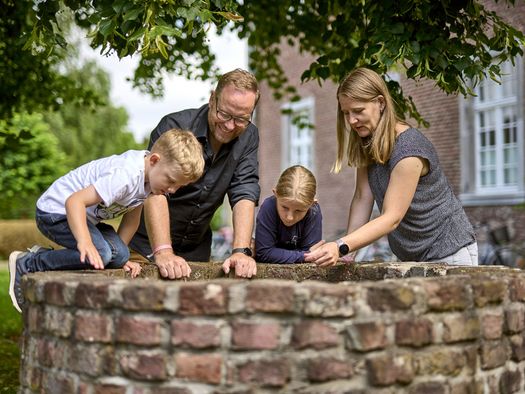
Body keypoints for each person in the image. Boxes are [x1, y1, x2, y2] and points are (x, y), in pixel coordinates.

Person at [8, 129, 204, 313]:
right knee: (100, 254)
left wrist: (123, 257)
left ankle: (72, 254)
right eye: (170, 181)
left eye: (178, 186)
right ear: (154, 160)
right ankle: (30, 262)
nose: (172, 190)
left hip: (84, 217)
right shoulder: (125, 175)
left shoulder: (148, 182)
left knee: (117, 257)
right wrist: (84, 242)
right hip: (55, 212)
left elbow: (131, 221)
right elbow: (74, 201)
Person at [305, 67, 477, 267]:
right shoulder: (367, 142)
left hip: (448, 252)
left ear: (380, 103)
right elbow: (362, 197)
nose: (351, 120)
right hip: (411, 257)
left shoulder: (409, 149)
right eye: (346, 113)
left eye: (358, 111)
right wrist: (348, 254)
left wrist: (341, 245)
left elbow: (392, 217)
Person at [129, 68, 260, 279]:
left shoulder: (249, 136)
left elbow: (245, 189)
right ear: (212, 99)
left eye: (241, 119)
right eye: (224, 114)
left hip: (197, 251)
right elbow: (153, 190)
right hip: (146, 247)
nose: (229, 125)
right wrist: (163, 251)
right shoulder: (174, 126)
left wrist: (240, 252)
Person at [255, 165, 322, 264]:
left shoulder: (314, 211)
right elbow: (264, 253)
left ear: (312, 204)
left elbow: (312, 254)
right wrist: (303, 255)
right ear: (275, 194)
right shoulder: (268, 207)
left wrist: (276, 253)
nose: (289, 217)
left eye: (298, 211)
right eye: (285, 207)